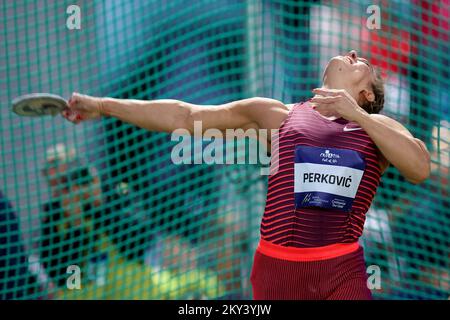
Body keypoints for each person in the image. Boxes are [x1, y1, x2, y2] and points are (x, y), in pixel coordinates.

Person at [61, 50, 431, 300]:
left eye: (361, 63)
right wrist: (102, 106)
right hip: (278, 268)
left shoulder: (376, 127)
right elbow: (183, 116)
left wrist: (359, 115)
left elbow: (419, 168)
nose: (352, 54)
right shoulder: (277, 116)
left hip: (341, 270)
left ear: (367, 94)